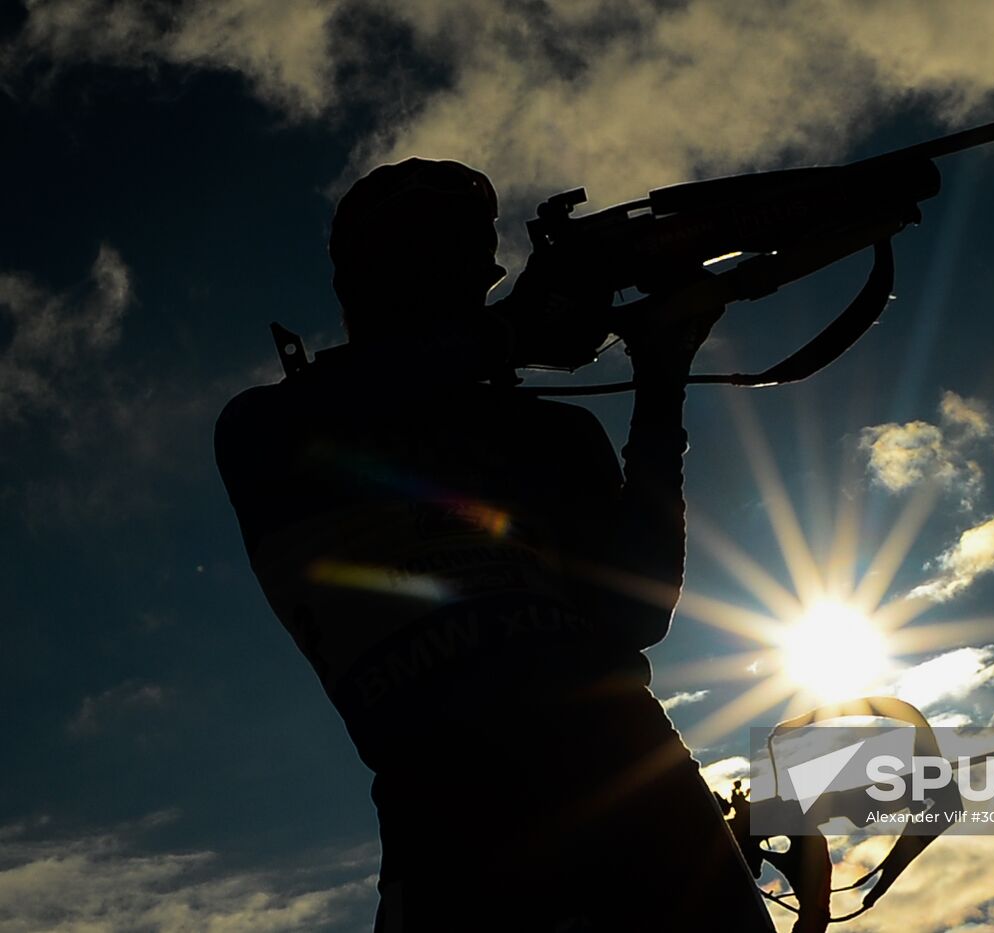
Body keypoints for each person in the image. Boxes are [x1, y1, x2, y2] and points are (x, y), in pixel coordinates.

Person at [214, 158, 776, 931]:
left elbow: (634, 609)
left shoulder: (546, 434)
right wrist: (514, 331)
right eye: (421, 264)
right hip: (459, 824)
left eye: (459, 267)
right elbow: (348, 403)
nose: (447, 288)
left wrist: (661, 380)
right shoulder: (276, 426)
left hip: (644, 794)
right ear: (360, 289)